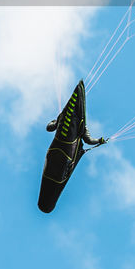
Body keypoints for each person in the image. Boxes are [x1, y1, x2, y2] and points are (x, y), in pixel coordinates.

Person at [37, 80, 107, 213]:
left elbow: (49, 128)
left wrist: (99, 140)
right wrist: (100, 141)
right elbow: (89, 140)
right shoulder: (81, 125)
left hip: (57, 152)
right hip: (63, 155)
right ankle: (47, 204)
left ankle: (47, 203)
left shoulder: (73, 122)